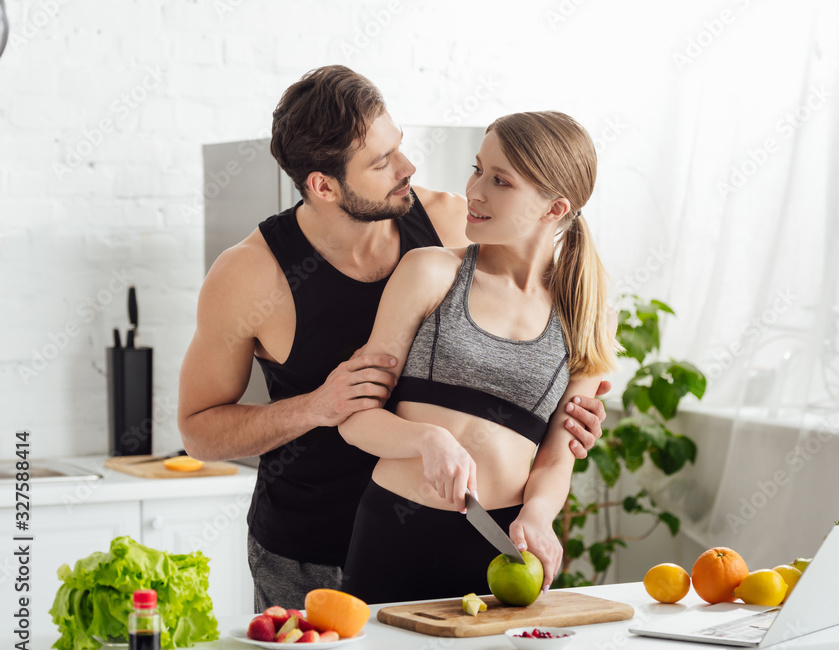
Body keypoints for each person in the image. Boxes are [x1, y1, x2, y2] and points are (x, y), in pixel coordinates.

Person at [176, 66, 611, 613]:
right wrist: (315, 407)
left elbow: (518, 356)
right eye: (381, 163)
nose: (409, 168)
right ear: (323, 185)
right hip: (311, 547)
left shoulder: (457, 222)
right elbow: (199, 431)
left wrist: (565, 419)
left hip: (462, 532)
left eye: (398, 147)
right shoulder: (248, 276)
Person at [338, 111, 620, 604]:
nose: (474, 191)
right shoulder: (430, 272)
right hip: (392, 534)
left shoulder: (586, 314)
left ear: (554, 208)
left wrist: (538, 514)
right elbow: (355, 419)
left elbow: (558, 455)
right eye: (477, 169)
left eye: (500, 181)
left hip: (502, 551)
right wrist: (426, 439)